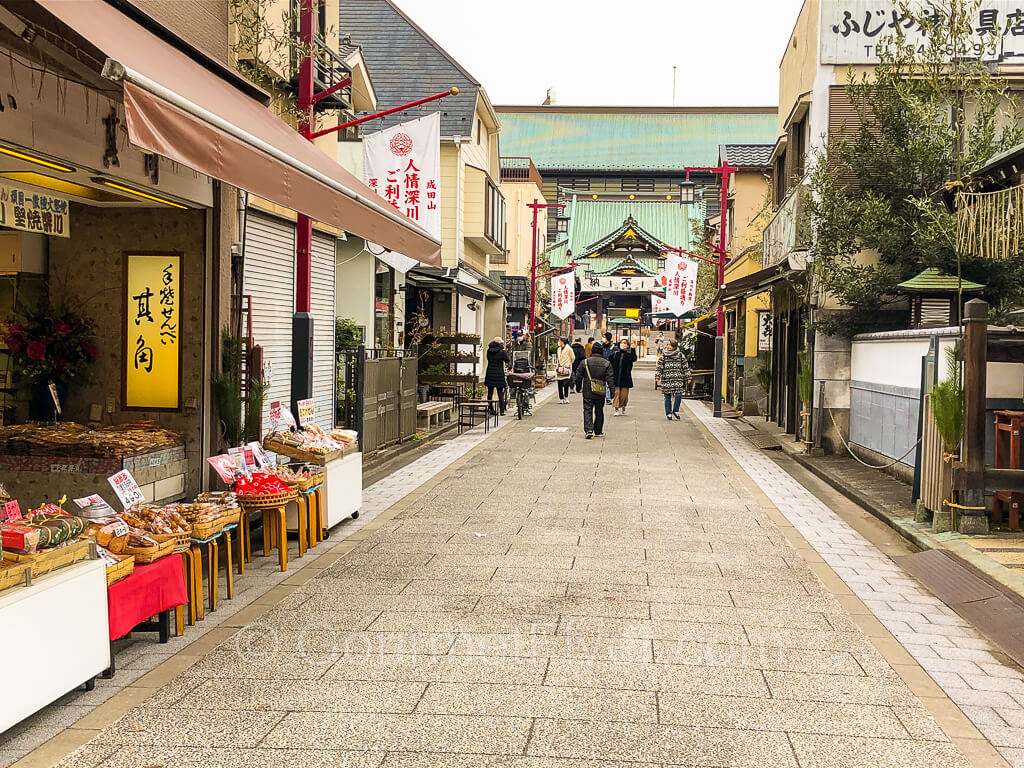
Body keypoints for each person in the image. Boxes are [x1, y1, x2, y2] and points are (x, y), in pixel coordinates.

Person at [578, 342, 614, 439]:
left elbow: (579, 376)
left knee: (587, 410)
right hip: (600, 390)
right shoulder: (606, 363)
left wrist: (578, 387)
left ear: (592, 351)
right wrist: (612, 391)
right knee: (599, 410)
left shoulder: (585, 362)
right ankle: (598, 431)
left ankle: (589, 429)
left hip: (587, 390)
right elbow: (610, 379)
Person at [656, 338, 690, 420]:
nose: (668, 346)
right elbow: (659, 366)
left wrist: (688, 376)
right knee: (667, 397)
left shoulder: (680, 355)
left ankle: (675, 410)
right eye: (667, 344)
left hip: (678, 378)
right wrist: (657, 376)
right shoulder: (664, 355)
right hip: (666, 379)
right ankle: (668, 413)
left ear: (674, 346)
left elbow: (685, 366)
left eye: (669, 345)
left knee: (678, 395)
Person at [610, 338, 637, 416]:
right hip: (616, 377)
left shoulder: (628, 355)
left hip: (625, 378)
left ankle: (623, 406)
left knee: (624, 396)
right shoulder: (615, 354)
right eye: (622, 343)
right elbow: (609, 360)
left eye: (625, 343)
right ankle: (616, 408)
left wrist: (633, 349)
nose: (623, 344)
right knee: (616, 394)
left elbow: (633, 358)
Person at [484, 336, 510, 416]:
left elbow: (488, 359)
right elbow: (507, 360)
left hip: (490, 373)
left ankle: (491, 408)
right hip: (499, 374)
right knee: (500, 393)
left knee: (490, 392)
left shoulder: (489, 351)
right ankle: (501, 411)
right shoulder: (502, 352)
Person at [555, 337, 575, 403]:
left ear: (562, 341)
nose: (559, 342)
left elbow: (573, 358)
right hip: (560, 367)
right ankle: (561, 398)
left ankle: (566, 397)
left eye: (560, 341)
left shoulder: (569, 349)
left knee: (566, 383)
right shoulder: (558, 349)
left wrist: (568, 363)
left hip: (566, 367)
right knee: (559, 384)